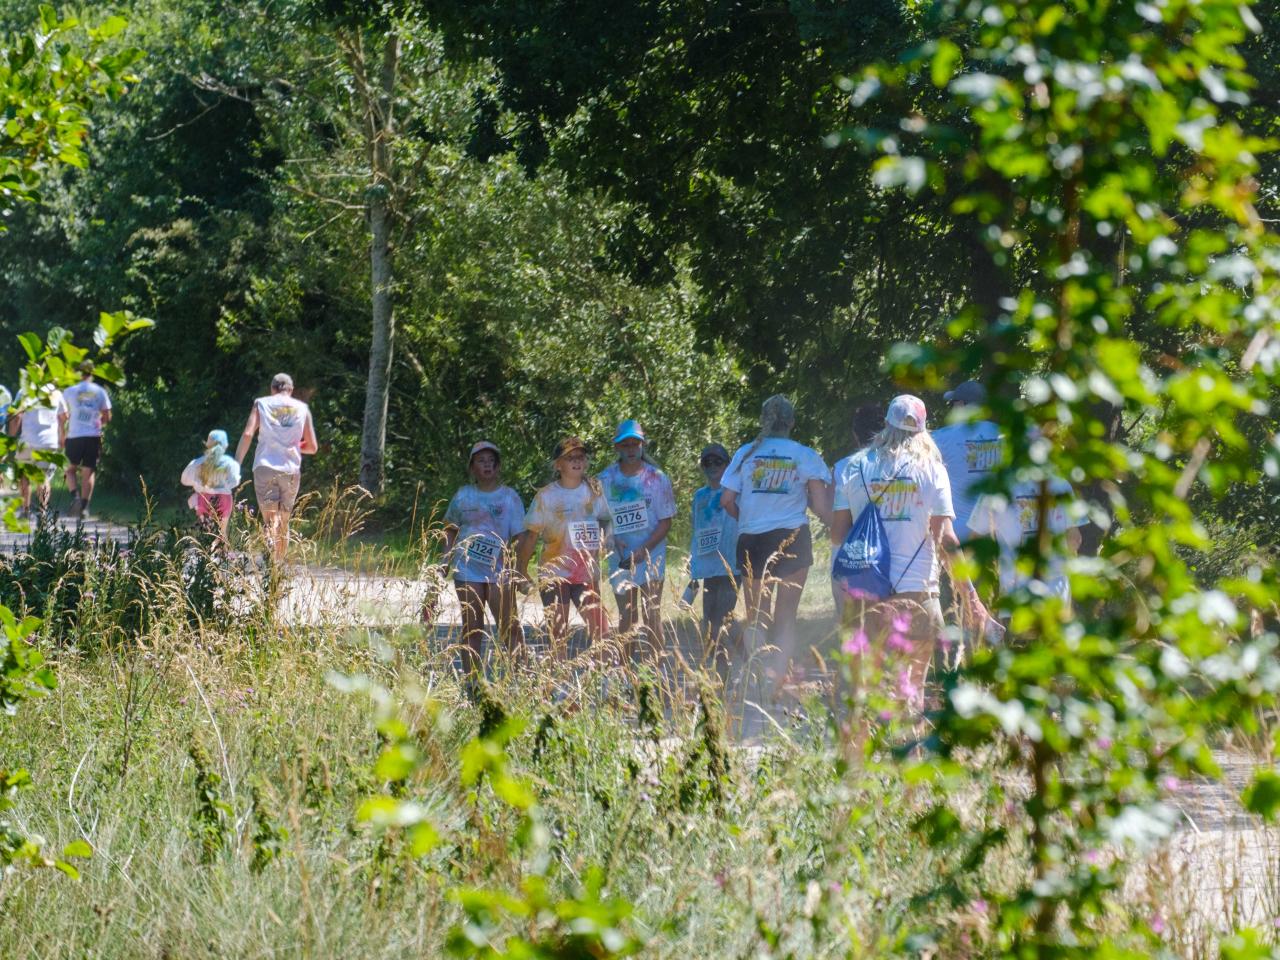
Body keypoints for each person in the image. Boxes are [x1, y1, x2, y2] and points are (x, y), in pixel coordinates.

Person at [830, 395, 983, 711]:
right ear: (923, 430)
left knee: (866, 694)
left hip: (865, 595)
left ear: (885, 425)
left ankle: (864, 755)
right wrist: (971, 596)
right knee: (909, 696)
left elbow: (837, 534)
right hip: (917, 594)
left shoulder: (854, 467)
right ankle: (906, 752)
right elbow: (946, 539)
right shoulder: (933, 470)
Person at [721, 395, 831, 687]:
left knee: (757, 616)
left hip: (752, 540)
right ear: (792, 423)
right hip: (792, 537)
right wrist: (837, 527)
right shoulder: (803, 454)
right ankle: (778, 680)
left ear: (762, 421)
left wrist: (748, 518)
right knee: (786, 617)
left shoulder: (745, 453)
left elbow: (727, 499)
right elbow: (820, 505)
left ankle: (754, 680)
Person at [516, 436, 612, 655]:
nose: (576, 461)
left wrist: (606, 537)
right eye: (570, 458)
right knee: (558, 635)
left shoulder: (594, 490)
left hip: (586, 573)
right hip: (554, 573)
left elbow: (605, 519)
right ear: (558, 465)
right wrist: (521, 570)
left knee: (601, 631)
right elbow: (531, 536)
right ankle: (556, 686)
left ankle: (609, 680)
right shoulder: (546, 496)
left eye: (580, 457)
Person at [442, 441, 526, 672]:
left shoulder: (510, 497)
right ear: (472, 468)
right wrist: (443, 563)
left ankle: (519, 678)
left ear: (498, 467)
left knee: (509, 626)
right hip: (467, 568)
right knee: (472, 626)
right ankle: (472, 681)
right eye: (481, 461)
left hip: (500, 570)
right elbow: (450, 530)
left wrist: (518, 568)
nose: (487, 465)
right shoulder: (463, 496)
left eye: (491, 461)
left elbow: (521, 536)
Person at [599, 420, 676, 660]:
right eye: (625, 444)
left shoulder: (657, 478)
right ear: (616, 448)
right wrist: (609, 536)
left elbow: (666, 521)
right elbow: (600, 518)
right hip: (621, 556)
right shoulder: (605, 479)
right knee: (627, 616)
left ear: (642, 445)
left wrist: (645, 549)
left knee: (651, 613)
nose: (631, 449)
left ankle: (657, 673)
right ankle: (625, 674)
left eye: (635, 444)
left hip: (652, 554)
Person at [967, 476, 1086, 614]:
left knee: (1018, 634)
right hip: (1056, 591)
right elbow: (1074, 539)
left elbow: (975, 540)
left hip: (1014, 592)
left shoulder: (997, 485)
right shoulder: (1061, 484)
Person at [234, 373, 318, 564]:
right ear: (291, 390)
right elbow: (313, 447)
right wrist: (295, 446)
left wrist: (236, 463)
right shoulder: (302, 408)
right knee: (284, 521)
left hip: (265, 466)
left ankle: (269, 545)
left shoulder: (261, 404)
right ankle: (277, 567)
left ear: (272, 389)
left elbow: (248, 433)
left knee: (270, 519)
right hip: (290, 470)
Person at [829, 404, 891, 619]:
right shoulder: (902, 463)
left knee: (854, 624)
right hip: (894, 557)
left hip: (856, 559)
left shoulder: (843, 467)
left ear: (855, 434)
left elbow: (838, 531)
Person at [930, 380, 1003, 546]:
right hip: (995, 533)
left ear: (962, 405)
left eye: (953, 404)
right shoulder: (1003, 436)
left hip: (955, 535)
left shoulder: (939, 438)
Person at [683, 442, 740, 651]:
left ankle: (753, 662)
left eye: (718, 461)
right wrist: (693, 558)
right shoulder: (699, 496)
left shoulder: (736, 492)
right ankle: (720, 671)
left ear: (728, 464)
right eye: (707, 462)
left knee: (723, 619)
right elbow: (697, 529)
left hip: (731, 565)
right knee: (709, 620)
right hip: (708, 567)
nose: (713, 465)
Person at [6, 374, 65, 518]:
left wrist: (11, 438)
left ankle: (25, 510)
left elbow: (17, 416)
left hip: (28, 441)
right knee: (43, 477)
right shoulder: (56, 393)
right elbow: (64, 416)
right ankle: (42, 512)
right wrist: (62, 436)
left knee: (24, 477)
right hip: (49, 442)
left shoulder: (24, 391)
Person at [60, 360, 112, 520]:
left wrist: (62, 434)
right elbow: (107, 416)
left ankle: (75, 496)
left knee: (69, 469)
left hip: (74, 435)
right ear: (92, 373)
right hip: (93, 435)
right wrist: (98, 423)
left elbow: (62, 415)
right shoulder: (100, 391)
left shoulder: (69, 391)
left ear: (78, 373)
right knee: (88, 471)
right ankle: (85, 507)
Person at [181, 430, 242, 543]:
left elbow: (185, 479)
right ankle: (224, 555)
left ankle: (208, 552)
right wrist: (222, 485)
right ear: (226, 445)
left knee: (207, 531)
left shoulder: (198, 462)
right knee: (222, 532)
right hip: (225, 499)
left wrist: (199, 484)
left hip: (204, 499)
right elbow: (235, 481)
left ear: (207, 444)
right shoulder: (230, 463)